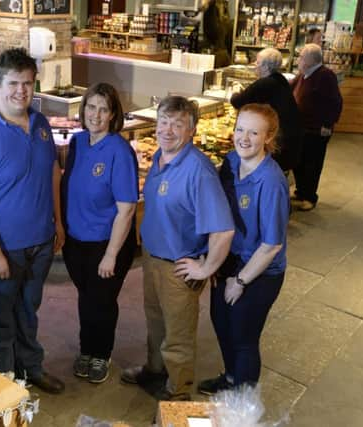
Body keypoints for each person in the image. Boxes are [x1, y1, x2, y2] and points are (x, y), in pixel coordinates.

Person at [0, 48, 65, 394]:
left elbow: (52, 173)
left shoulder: (41, 124)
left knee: (28, 311)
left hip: (40, 243)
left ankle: (30, 367)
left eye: (28, 83)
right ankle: (3, 384)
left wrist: (58, 223)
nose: (21, 91)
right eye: (14, 83)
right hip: (3, 248)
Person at [121, 96, 234, 401]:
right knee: (155, 321)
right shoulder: (159, 158)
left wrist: (206, 267)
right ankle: (155, 370)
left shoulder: (199, 170)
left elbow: (223, 230)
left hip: (178, 267)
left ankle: (178, 392)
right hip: (153, 258)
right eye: (163, 122)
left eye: (178, 124)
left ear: (191, 130)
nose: (168, 130)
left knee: (178, 334)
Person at [198, 103, 289, 395]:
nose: (244, 138)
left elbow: (271, 244)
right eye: (240, 129)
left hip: (260, 269)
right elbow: (219, 213)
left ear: (268, 137)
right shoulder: (231, 161)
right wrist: (212, 259)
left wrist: (240, 281)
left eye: (254, 132)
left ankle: (243, 402)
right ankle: (231, 378)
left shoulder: (271, 182)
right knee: (221, 322)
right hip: (230, 257)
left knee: (243, 334)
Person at [61, 83, 138, 384]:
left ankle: (101, 354)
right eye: (91, 107)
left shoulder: (120, 151)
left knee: (102, 302)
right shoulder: (78, 143)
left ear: (113, 115)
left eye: (103, 109)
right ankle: (86, 349)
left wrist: (111, 255)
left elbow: (127, 209)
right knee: (86, 298)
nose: (96, 114)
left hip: (107, 244)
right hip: (76, 241)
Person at [230, 48, 302, 172]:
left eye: (257, 63)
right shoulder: (280, 79)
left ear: (265, 67)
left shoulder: (265, 83)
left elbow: (237, 102)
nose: (255, 66)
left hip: (278, 143)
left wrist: (234, 93)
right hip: (291, 140)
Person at [291, 44, 343, 211]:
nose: (298, 60)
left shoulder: (326, 76)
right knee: (299, 161)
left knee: (312, 164)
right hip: (302, 127)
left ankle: (310, 197)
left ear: (310, 60)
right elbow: (290, 87)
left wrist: (327, 125)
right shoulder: (303, 75)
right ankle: (301, 191)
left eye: (301, 57)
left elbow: (336, 103)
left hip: (317, 129)